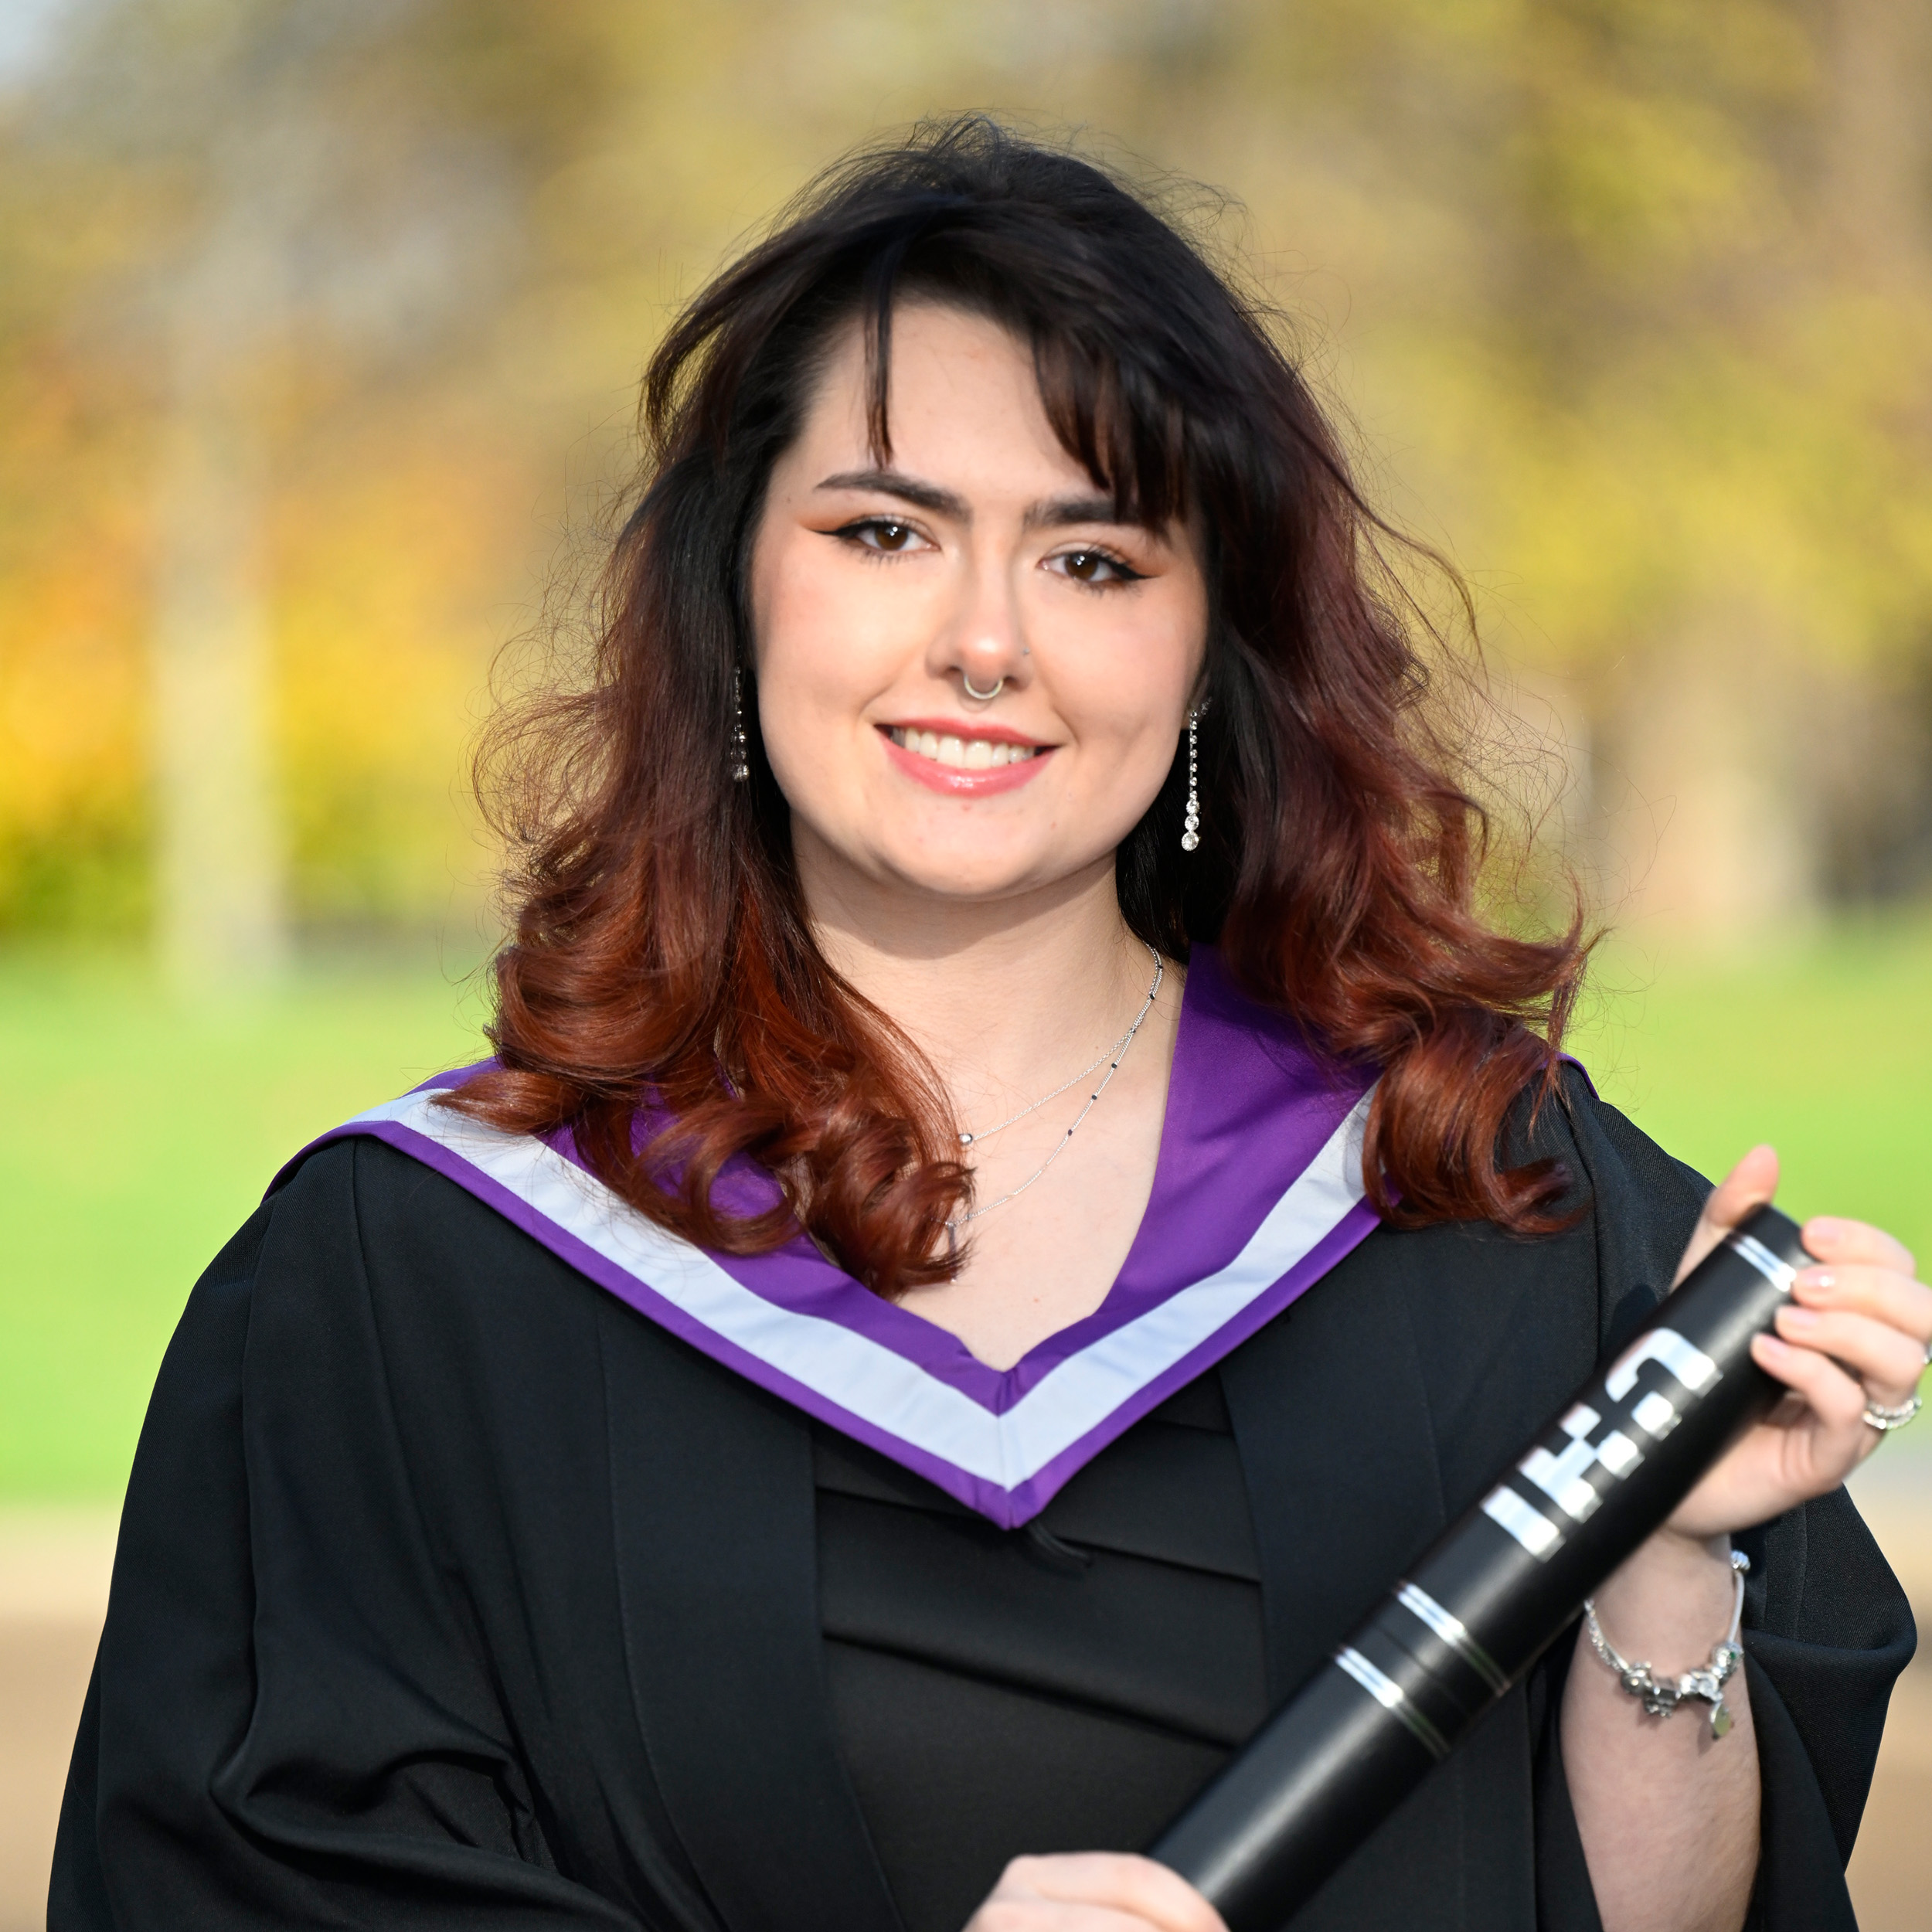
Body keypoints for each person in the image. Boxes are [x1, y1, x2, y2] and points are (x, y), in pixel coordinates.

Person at [52, 119, 1924, 1932]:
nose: (985, 639)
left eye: (1094, 559)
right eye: (884, 531)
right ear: (735, 591)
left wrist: (1667, 1549)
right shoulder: (416, 1281)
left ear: (1209, 651)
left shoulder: (1477, 1191)